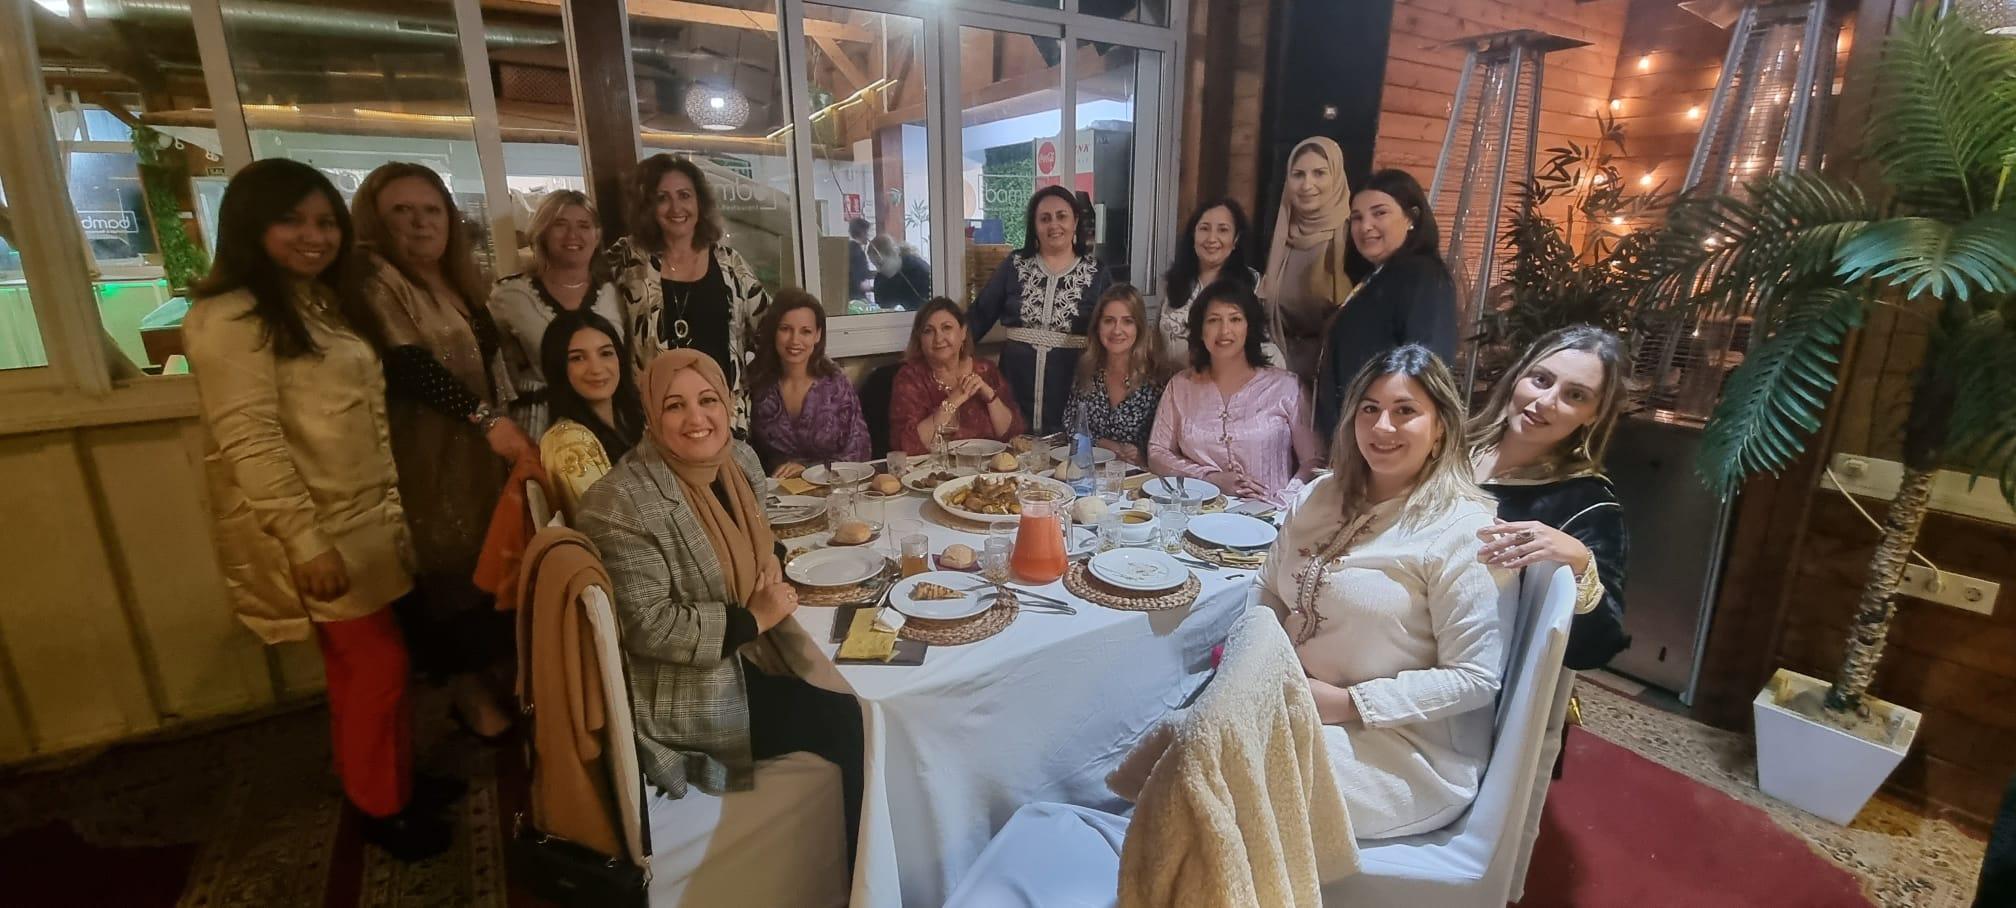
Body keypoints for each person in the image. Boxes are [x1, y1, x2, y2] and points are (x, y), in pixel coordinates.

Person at [184, 158, 454, 859]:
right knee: (376, 667)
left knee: (369, 667)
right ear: (250, 227)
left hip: (366, 518)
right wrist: (304, 541)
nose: (314, 236)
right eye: (292, 221)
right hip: (323, 526)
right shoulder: (230, 317)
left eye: (325, 222)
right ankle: (381, 806)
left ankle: (389, 778)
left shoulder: (316, 302)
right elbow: (249, 440)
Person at [575, 349, 863, 853]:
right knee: (854, 719)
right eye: (675, 406)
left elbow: (759, 533)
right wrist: (754, 619)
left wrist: (770, 556)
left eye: (708, 400)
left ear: (727, 404)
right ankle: (866, 870)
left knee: (853, 672)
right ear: (651, 415)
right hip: (704, 692)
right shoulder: (620, 502)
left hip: (759, 652)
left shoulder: (738, 460)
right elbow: (650, 625)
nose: (696, 418)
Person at [1257, 344, 1513, 839]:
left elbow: (1475, 677)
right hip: (1296, 703)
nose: (1383, 426)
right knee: (1187, 739)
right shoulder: (1320, 495)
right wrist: (1260, 658)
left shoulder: (1463, 531)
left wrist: (1350, 703)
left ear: (1440, 428)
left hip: (1404, 748)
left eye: (1405, 411)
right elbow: (1267, 587)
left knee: (1227, 775)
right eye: (1370, 408)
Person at [352, 162, 521, 742]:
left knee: (490, 557)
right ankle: (468, 696)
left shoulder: (458, 281)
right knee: (447, 568)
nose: (420, 223)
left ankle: (494, 677)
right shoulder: (376, 279)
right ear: (376, 221)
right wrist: (484, 419)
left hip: (479, 451)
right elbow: (409, 365)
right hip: (429, 450)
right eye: (402, 211)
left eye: (431, 210)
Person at [1467, 326, 1630, 671]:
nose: (1545, 402)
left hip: (1476, 672)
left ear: (1594, 414)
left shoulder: (1587, 504)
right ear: (1518, 375)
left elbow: (1597, 648)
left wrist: (1580, 561)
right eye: (1541, 380)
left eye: (1575, 395)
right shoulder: (1446, 447)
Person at [607, 154, 772, 435]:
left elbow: (770, 331)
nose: (676, 207)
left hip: (725, 420)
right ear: (647, 206)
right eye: (662, 198)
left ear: (700, 203)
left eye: (685, 195)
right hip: (655, 423)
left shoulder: (729, 263)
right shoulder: (629, 260)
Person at [1315, 168, 1459, 440]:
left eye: (1379, 213)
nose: (1365, 226)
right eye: (1357, 217)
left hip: (1386, 436)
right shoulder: (1375, 277)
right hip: (1357, 435)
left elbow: (1427, 365)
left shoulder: (1424, 276)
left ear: (1411, 218)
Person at [1148, 280, 1320, 507]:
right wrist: (1208, 478)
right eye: (1213, 320)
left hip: (1272, 516)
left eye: (1235, 319)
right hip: (1198, 514)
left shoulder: (1287, 387)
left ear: (1250, 327)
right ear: (1200, 331)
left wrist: (1282, 502)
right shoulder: (1180, 387)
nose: (1224, 331)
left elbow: (1314, 462)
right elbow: (1157, 453)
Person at [969, 185, 1113, 433]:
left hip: (1072, 383)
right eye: (1044, 219)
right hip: (1015, 381)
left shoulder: (1097, 272)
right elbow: (979, 316)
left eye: (1061, 216)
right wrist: (948, 355)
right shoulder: (1014, 266)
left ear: (1075, 221)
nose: (1053, 225)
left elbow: (1113, 327)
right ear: (1034, 226)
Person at [491, 190, 625, 439]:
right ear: (542, 232)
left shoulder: (616, 294)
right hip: (539, 429)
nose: (573, 235)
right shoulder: (510, 296)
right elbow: (497, 375)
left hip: (609, 427)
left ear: (596, 235)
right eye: (560, 225)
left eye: (583, 225)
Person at [1257, 136, 1354, 380]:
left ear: (1336, 177)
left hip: (1331, 376)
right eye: (1298, 175)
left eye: (1319, 173)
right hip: (1276, 373)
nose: (1307, 185)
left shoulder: (1355, 239)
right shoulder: (1277, 237)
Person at [746, 289, 872, 476]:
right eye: (785, 329)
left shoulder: (836, 385)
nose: (794, 340)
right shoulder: (754, 382)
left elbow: (860, 452)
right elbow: (745, 451)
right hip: (772, 488)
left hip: (832, 486)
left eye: (805, 331)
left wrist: (808, 469)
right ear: (774, 331)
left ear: (817, 335)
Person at [538, 308, 645, 522]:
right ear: (558, 368)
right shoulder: (567, 442)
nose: (596, 369)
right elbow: (612, 525)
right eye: (577, 358)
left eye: (605, 353)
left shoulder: (631, 419)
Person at [888, 297, 1026, 455]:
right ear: (920, 339)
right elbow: (906, 446)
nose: (938, 339)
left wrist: (990, 397)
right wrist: (953, 401)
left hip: (988, 467)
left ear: (963, 332)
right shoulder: (910, 378)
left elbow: (1012, 435)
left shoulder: (985, 370)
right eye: (928, 331)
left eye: (946, 328)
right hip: (935, 467)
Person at [1062, 284, 1165, 466]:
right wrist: (1104, 445)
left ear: (1139, 327)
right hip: (1088, 470)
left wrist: (1143, 456)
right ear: (1098, 326)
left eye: (1127, 321)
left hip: (1139, 476)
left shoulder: (1157, 379)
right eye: (1109, 321)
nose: (1117, 330)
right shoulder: (1087, 370)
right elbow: (1070, 425)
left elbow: (1168, 447)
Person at [1160, 198, 1259, 371]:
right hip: (1169, 380)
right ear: (1193, 234)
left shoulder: (1253, 283)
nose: (1212, 238)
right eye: (1204, 228)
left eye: (1223, 230)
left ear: (1236, 239)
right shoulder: (1174, 281)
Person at [869, 235, 932, 311]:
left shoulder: (919, 270)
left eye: (880, 264)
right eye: (875, 265)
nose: (878, 269)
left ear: (894, 254)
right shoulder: (880, 280)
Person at [846, 217, 875, 302]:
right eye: (868, 232)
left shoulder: (849, 248)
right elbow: (858, 283)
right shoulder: (858, 253)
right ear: (862, 232)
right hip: (857, 298)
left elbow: (862, 273)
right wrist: (877, 289)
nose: (869, 236)